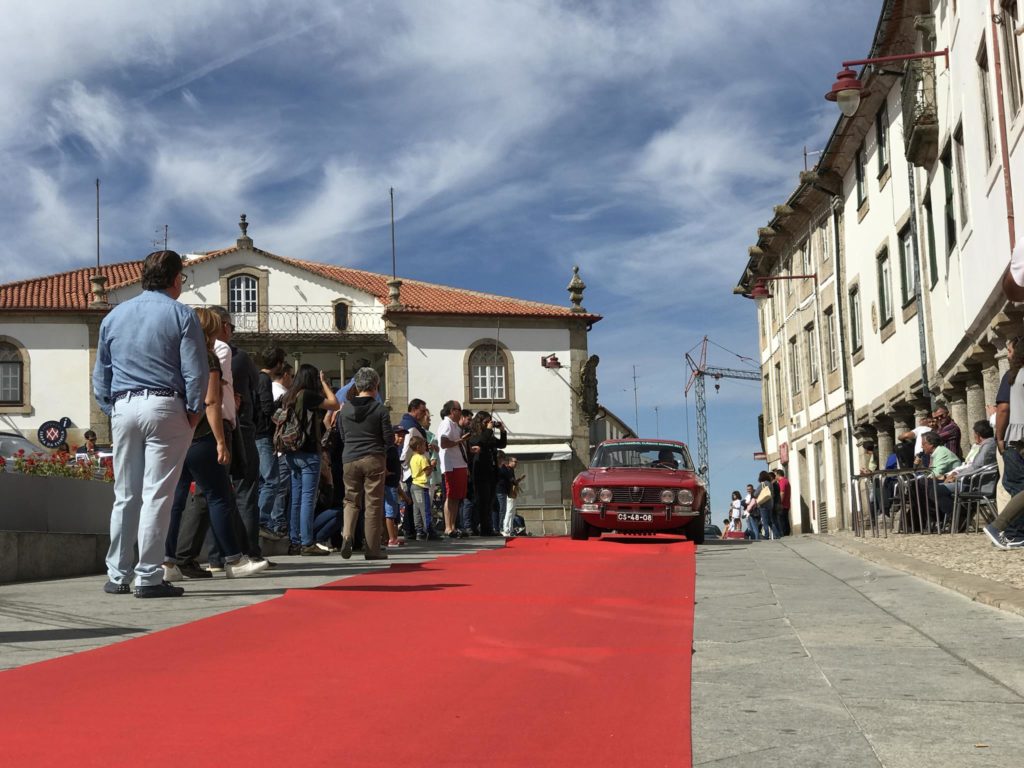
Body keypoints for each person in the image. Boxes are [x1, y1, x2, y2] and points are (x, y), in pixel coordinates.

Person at [93, 250, 208, 598]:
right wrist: (193, 411)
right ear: (175, 279)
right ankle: (148, 576)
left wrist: (110, 407)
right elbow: (196, 372)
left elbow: (101, 376)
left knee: (125, 494)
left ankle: (117, 575)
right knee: (157, 493)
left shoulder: (113, 317)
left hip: (124, 406)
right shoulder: (182, 315)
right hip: (165, 404)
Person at [164, 307, 268, 581]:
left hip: (177, 434)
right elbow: (211, 401)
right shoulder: (206, 357)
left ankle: (168, 562)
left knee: (176, 500)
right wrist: (221, 440)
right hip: (202, 434)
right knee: (220, 496)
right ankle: (234, 559)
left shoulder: (175, 355)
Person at [282, 364, 340, 556]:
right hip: (308, 451)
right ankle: (307, 542)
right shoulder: (307, 395)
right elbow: (334, 403)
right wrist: (324, 383)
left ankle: (295, 541)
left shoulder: (290, 395)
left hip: (291, 451)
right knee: (308, 498)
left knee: (296, 498)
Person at [337, 367, 393, 560]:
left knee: (350, 500)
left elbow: (342, 435)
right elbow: (389, 438)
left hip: (350, 458)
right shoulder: (380, 409)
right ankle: (372, 549)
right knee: (373, 504)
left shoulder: (345, 409)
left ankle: (347, 535)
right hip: (373, 457)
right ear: (376, 385)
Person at [255, 346, 286, 539]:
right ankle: (261, 519)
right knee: (272, 480)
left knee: (263, 480)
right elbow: (267, 408)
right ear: (278, 363)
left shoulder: (256, 377)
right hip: (263, 435)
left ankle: (258, 519)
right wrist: (281, 406)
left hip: (255, 435)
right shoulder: (265, 380)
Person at [467, 410, 507, 536]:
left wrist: (502, 431)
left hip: (491, 471)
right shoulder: (474, 434)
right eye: (486, 422)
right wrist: (489, 429)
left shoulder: (488, 435)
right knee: (481, 501)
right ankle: (479, 527)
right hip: (480, 471)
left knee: (489, 501)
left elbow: (501, 444)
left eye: (490, 422)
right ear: (480, 422)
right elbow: (480, 442)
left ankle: (487, 527)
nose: (488, 424)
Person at [438, 400, 471, 539]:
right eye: (459, 409)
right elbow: (443, 442)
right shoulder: (446, 424)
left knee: (457, 497)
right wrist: (460, 441)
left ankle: (453, 526)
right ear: (453, 411)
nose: (461, 412)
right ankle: (448, 527)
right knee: (451, 496)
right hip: (451, 465)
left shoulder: (454, 425)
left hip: (459, 464)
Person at [384, 424, 409, 548]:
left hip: (393, 485)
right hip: (388, 485)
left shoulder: (394, 449)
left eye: (403, 436)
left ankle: (391, 536)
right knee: (390, 512)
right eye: (398, 435)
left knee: (393, 513)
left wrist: (402, 494)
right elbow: (383, 461)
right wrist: (385, 471)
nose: (401, 438)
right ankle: (391, 538)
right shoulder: (389, 449)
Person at [408, 434, 433, 540]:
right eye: (423, 446)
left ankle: (419, 531)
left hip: (414, 485)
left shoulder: (413, 458)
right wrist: (431, 465)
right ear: (418, 447)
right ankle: (429, 530)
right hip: (421, 485)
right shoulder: (422, 458)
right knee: (425, 509)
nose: (425, 448)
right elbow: (427, 471)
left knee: (417, 509)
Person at [756, 470, 779, 540]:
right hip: (770, 504)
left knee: (765, 521)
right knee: (770, 521)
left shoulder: (762, 484)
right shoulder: (770, 484)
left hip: (763, 504)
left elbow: (755, 494)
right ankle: (777, 534)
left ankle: (766, 535)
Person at [774, 469, 791, 536]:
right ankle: (786, 533)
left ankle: (784, 534)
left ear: (778, 474)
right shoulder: (786, 481)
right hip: (787, 504)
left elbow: (782, 492)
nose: (775, 477)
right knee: (785, 519)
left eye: (775, 475)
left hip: (783, 504)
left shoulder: (782, 481)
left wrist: (779, 503)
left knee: (782, 520)